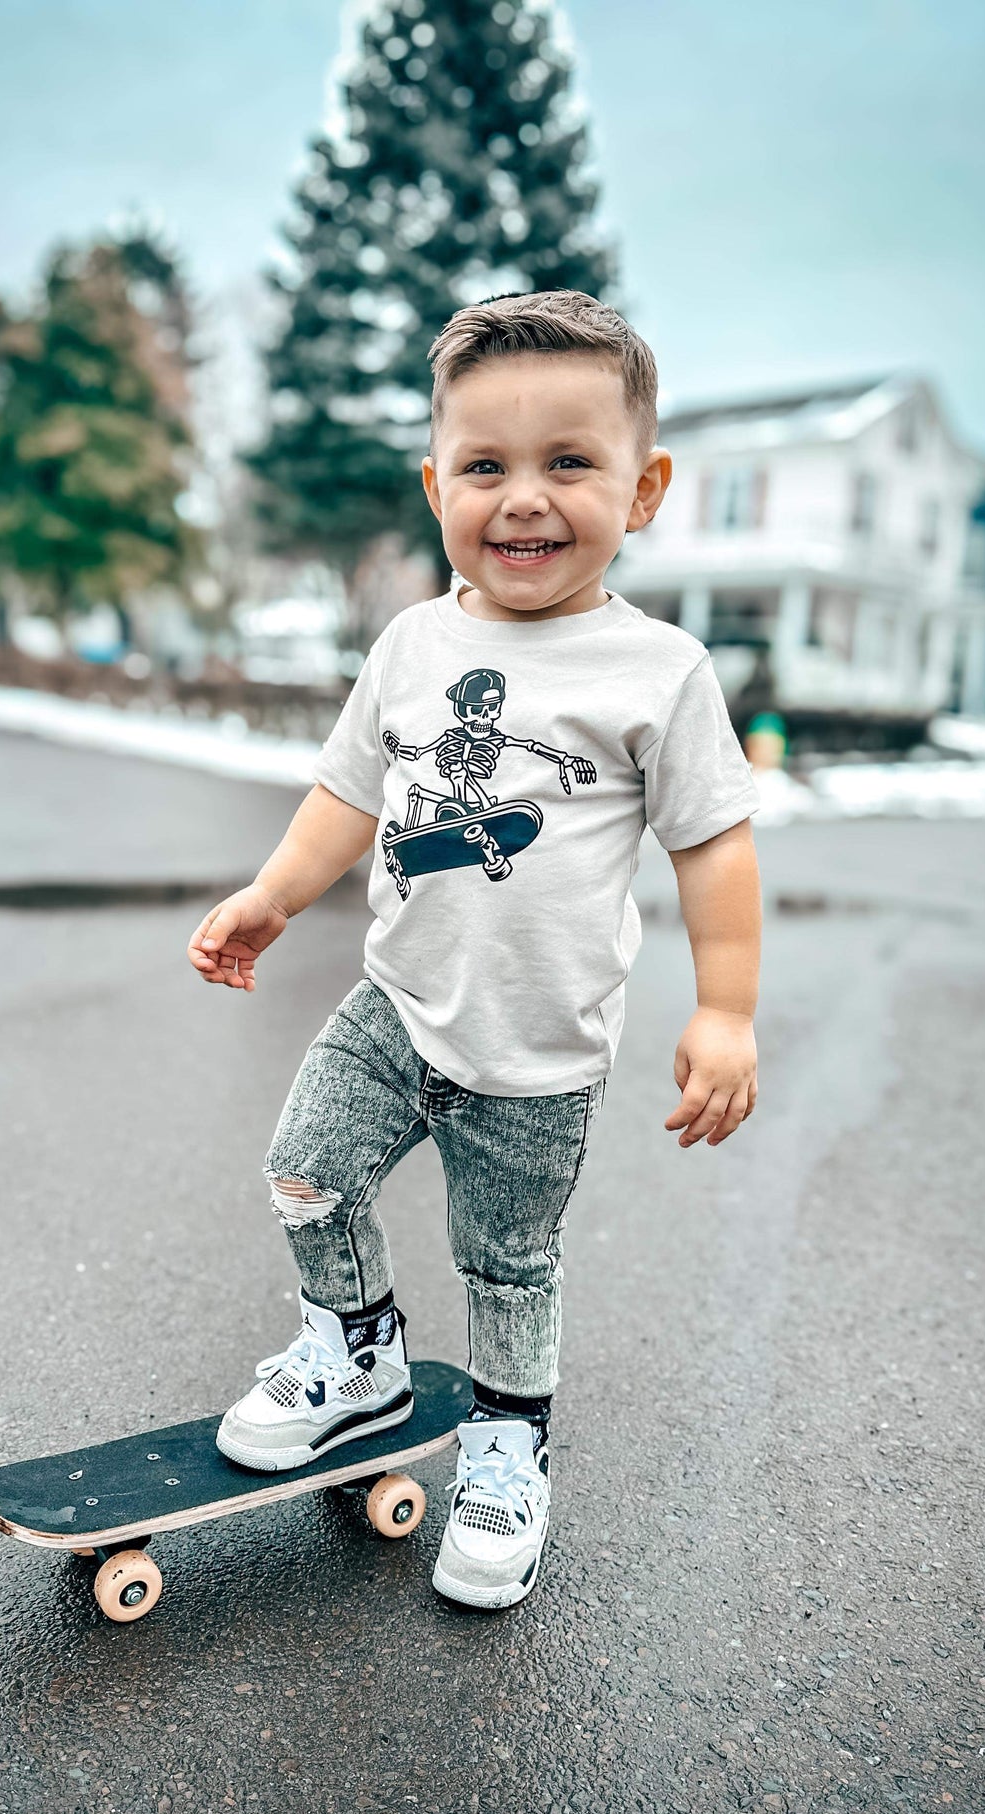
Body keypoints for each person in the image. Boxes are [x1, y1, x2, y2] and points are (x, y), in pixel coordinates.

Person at [188, 289, 762, 1610]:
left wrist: (722, 1011)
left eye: (570, 463)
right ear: (434, 480)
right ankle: (354, 1353)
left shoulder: (656, 673)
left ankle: (507, 1447)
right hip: (396, 1006)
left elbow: (714, 847)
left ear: (646, 485)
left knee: (507, 1265)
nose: (523, 500)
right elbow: (348, 794)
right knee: (304, 1176)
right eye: (486, 467)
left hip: (538, 1056)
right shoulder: (410, 645)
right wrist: (274, 895)